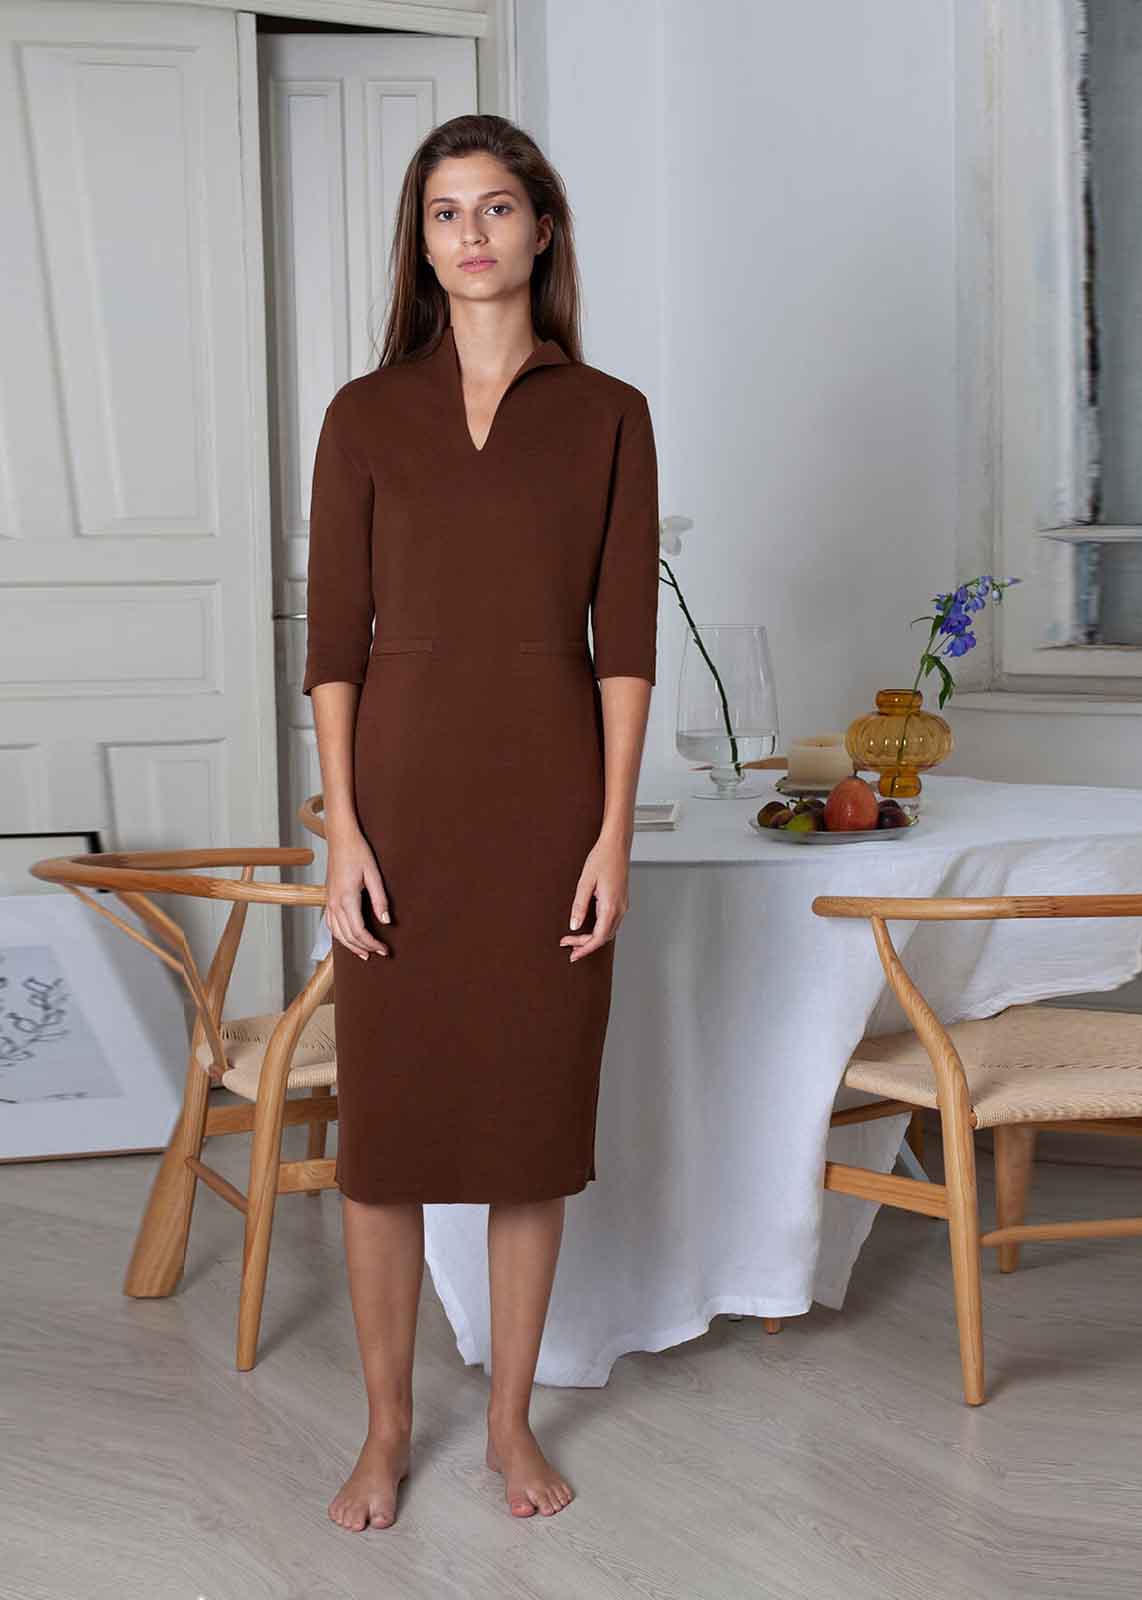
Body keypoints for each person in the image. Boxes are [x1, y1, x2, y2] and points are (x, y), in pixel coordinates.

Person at [302, 113, 660, 1529]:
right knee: (386, 1140)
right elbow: (335, 642)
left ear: (541, 228)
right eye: (446, 211)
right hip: (399, 803)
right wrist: (344, 831)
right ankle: (386, 1428)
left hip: (549, 803)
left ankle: (510, 1423)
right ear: (422, 240)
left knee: (526, 1126)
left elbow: (624, 644)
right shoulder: (362, 414)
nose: (471, 234)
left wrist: (612, 833)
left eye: (496, 207)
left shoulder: (609, 412)